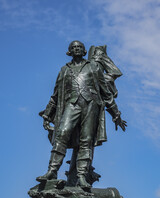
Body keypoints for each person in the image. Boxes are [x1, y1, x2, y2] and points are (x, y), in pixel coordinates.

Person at [36, 40, 127, 189]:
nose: (77, 49)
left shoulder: (93, 67)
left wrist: (116, 114)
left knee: (86, 140)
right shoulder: (64, 70)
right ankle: (52, 170)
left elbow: (106, 92)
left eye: (79, 47)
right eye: (74, 47)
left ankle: (81, 176)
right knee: (62, 133)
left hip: (91, 104)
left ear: (84, 51)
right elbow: (55, 95)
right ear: (69, 52)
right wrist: (47, 115)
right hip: (71, 104)